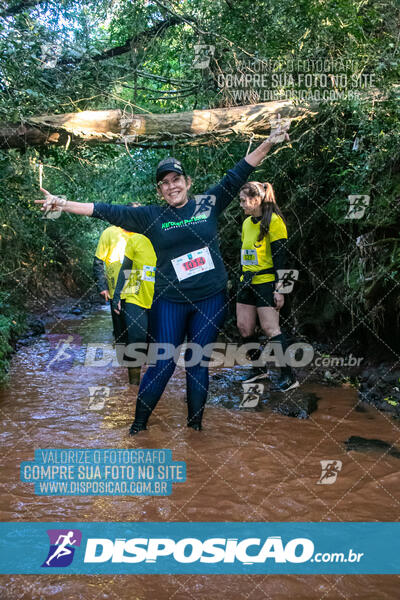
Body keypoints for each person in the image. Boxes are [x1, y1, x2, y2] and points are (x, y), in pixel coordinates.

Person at [37, 117, 290, 434]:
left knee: (198, 364)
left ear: (188, 181)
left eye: (177, 179)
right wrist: (61, 203)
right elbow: (102, 209)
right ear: (159, 189)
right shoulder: (149, 216)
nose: (172, 186)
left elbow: (241, 170)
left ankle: (194, 431)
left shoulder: (207, 204)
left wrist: (270, 140)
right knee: (163, 364)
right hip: (170, 300)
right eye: (165, 182)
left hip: (210, 299)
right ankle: (137, 428)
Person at [236, 180, 299, 392]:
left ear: (257, 199)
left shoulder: (274, 221)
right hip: (247, 282)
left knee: (271, 329)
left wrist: (280, 290)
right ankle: (258, 369)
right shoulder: (246, 224)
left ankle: (289, 375)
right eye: (240, 201)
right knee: (244, 328)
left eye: (245, 201)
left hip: (267, 282)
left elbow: (282, 258)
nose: (242, 204)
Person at [112, 233, 157, 384]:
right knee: (136, 340)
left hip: (160, 299)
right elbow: (126, 268)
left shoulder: (168, 238)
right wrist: (117, 295)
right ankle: (134, 387)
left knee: (156, 346)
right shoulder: (136, 240)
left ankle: (152, 386)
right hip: (134, 296)